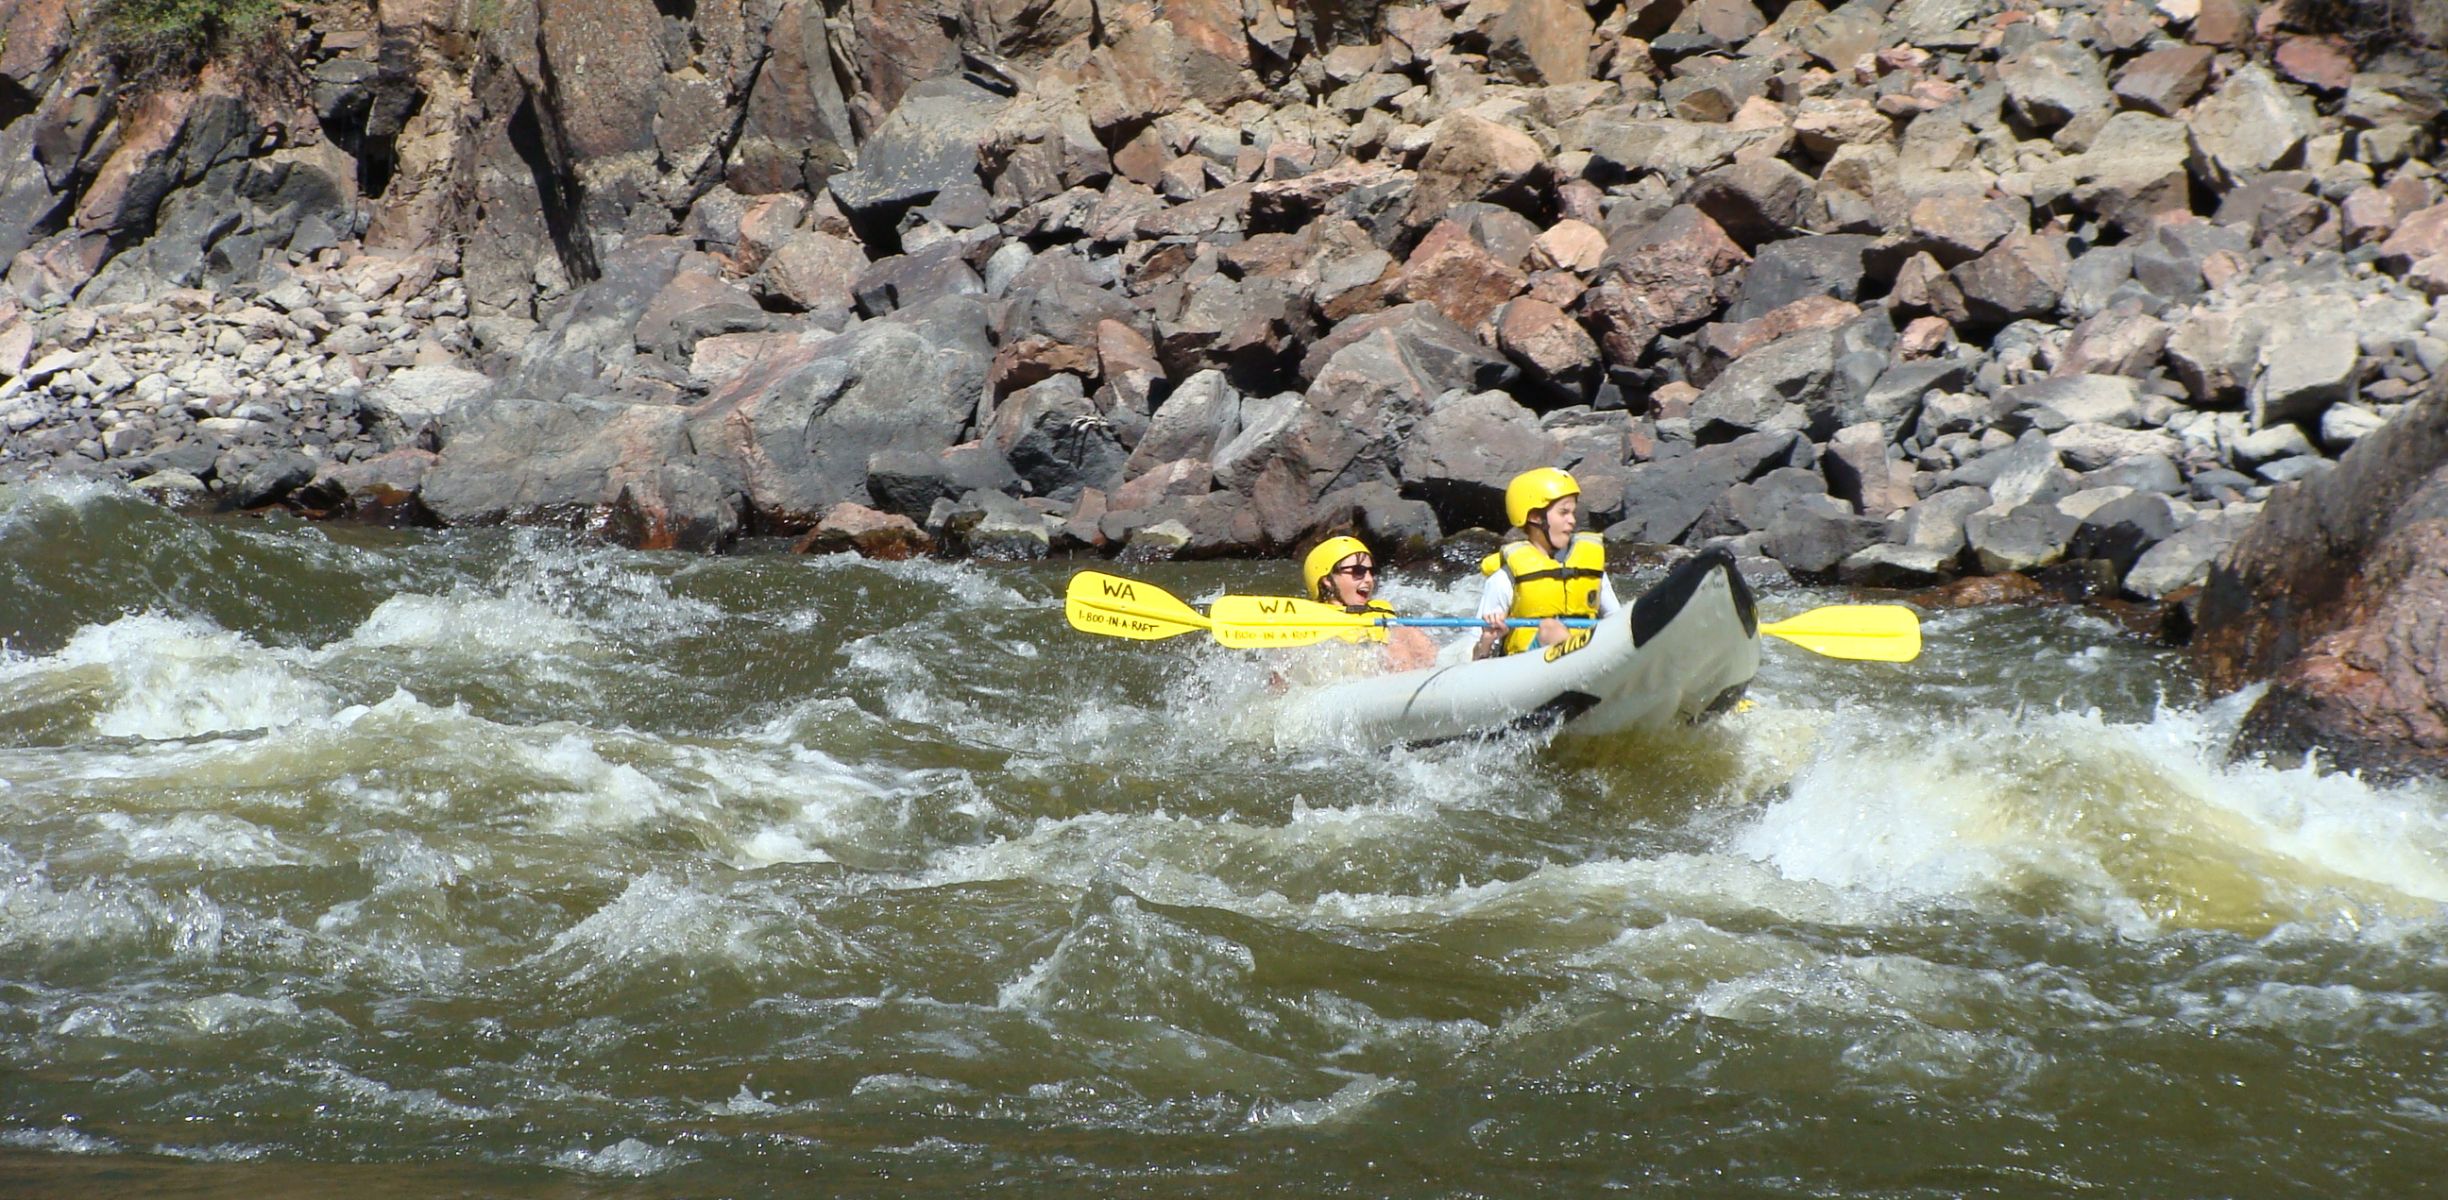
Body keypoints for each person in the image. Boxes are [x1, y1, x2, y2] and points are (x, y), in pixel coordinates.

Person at [1474, 468, 1621, 660]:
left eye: (1572, 512)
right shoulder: (1505, 578)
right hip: (1526, 668)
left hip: (1589, 658)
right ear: (1535, 517)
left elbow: (1616, 624)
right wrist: (1488, 639)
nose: (1572, 520)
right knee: (1550, 628)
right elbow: (1475, 659)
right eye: (1563, 512)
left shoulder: (1591, 569)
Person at [1303, 535, 1439, 672]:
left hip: (1390, 672)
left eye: (1371, 572)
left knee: (1410, 633)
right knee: (1396, 645)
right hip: (1351, 674)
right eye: (1358, 571)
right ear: (1327, 580)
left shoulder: (1381, 609)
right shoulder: (1310, 619)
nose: (1369, 579)